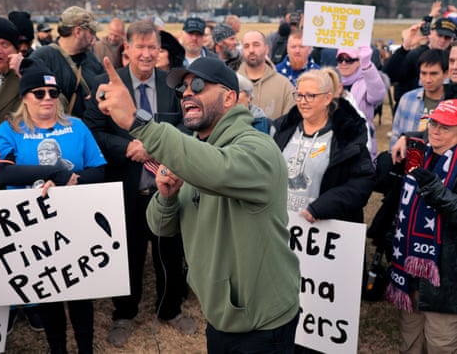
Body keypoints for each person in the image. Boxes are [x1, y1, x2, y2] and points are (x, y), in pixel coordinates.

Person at [96, 56, 301, 353]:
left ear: (230, 97)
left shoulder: (258, 148)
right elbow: (161, 226)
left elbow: (218, 169)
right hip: (220, 315)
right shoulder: (196, 152)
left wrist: (138, 122)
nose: (188, 93)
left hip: (262, 323)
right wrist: (165, 197)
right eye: (183, 90)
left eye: (200, 85)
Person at [83, 20, 193, 348]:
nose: (147, 54)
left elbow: (189, 125)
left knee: (170, 254)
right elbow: (92, 131)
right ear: (126, 49)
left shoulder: (172, 84)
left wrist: (158, 145)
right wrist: (127, 147)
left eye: (152, 47)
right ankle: (124, 313)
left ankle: (171, 308)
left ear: (160, 50)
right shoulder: (105, 85)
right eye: (140, 47)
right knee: (127, 255)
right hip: (126, 189)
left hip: (166, 190)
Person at [0, 58, 106, 354]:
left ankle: (85, 348)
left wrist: (74, 181)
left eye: (53, 93)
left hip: (75, 221)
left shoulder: (77, 127)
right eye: (39, 93)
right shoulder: (8, 130)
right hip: (33, 228)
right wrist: (52, 173)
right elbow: (2, 172)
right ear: (25, 97)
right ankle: (57, 350)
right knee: (49, 294)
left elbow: (99, 169)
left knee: (81, 292)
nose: (47, 99)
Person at [273, 67, 375, 353]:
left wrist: (322, 207)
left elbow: (362, 183)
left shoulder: (347, 136)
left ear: (328, 97)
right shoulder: (283, 129)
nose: (302, 101)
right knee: (286, 296)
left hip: (324, 237)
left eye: (310, 95)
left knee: (318, 304)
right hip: (285, 232)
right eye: (299, 95)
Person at [386, 99, 457, 353]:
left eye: (445, 127)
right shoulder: (418, 153)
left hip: (445, 279)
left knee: (440, 343)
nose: (435, 130)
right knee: (410, 339)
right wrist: (404, 138)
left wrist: (435, 189)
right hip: (409, 269)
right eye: (433, 123)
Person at [29, 6, 105, 118]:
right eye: (91, 33)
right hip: (54, 132)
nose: (94, 39)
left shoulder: (91, 59)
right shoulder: (41, 58)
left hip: (87, 132)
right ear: (78, 32)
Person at [383, 16, 456, 109]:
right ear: (430, 33)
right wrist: (404, 48)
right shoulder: (415, 55)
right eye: (439, 35)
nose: (442, 40)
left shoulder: (452, 57)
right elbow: (387, 76)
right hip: (411, 108)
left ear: (452, 39)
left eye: (447, 37)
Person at [336, 46, 386, 161]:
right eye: (340, 59)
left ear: (359, 62)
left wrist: (367, 66)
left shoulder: (366, 81)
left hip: (360, 144)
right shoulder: (330, 80)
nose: (343, 63)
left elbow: (378, 96)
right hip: (335, 143)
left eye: (349, 59)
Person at [390, 49, 448, 148]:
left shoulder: (451, 104)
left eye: (433, 74)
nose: (428, 79)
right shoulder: (407, 99)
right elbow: (396, 135)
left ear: (446, 74)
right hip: (407, 160)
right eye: (423, 73)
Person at [238, 30, 294, 119]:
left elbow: (290, 122)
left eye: (256, 45)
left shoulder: (284, 85)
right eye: (246, 46)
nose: (251, 50)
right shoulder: (231, 82)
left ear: (266, 49)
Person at [0, 15, 21, 131]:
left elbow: (57, 105)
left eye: (5, 44)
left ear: (16, 51)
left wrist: (28, 74)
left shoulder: (24, 77)